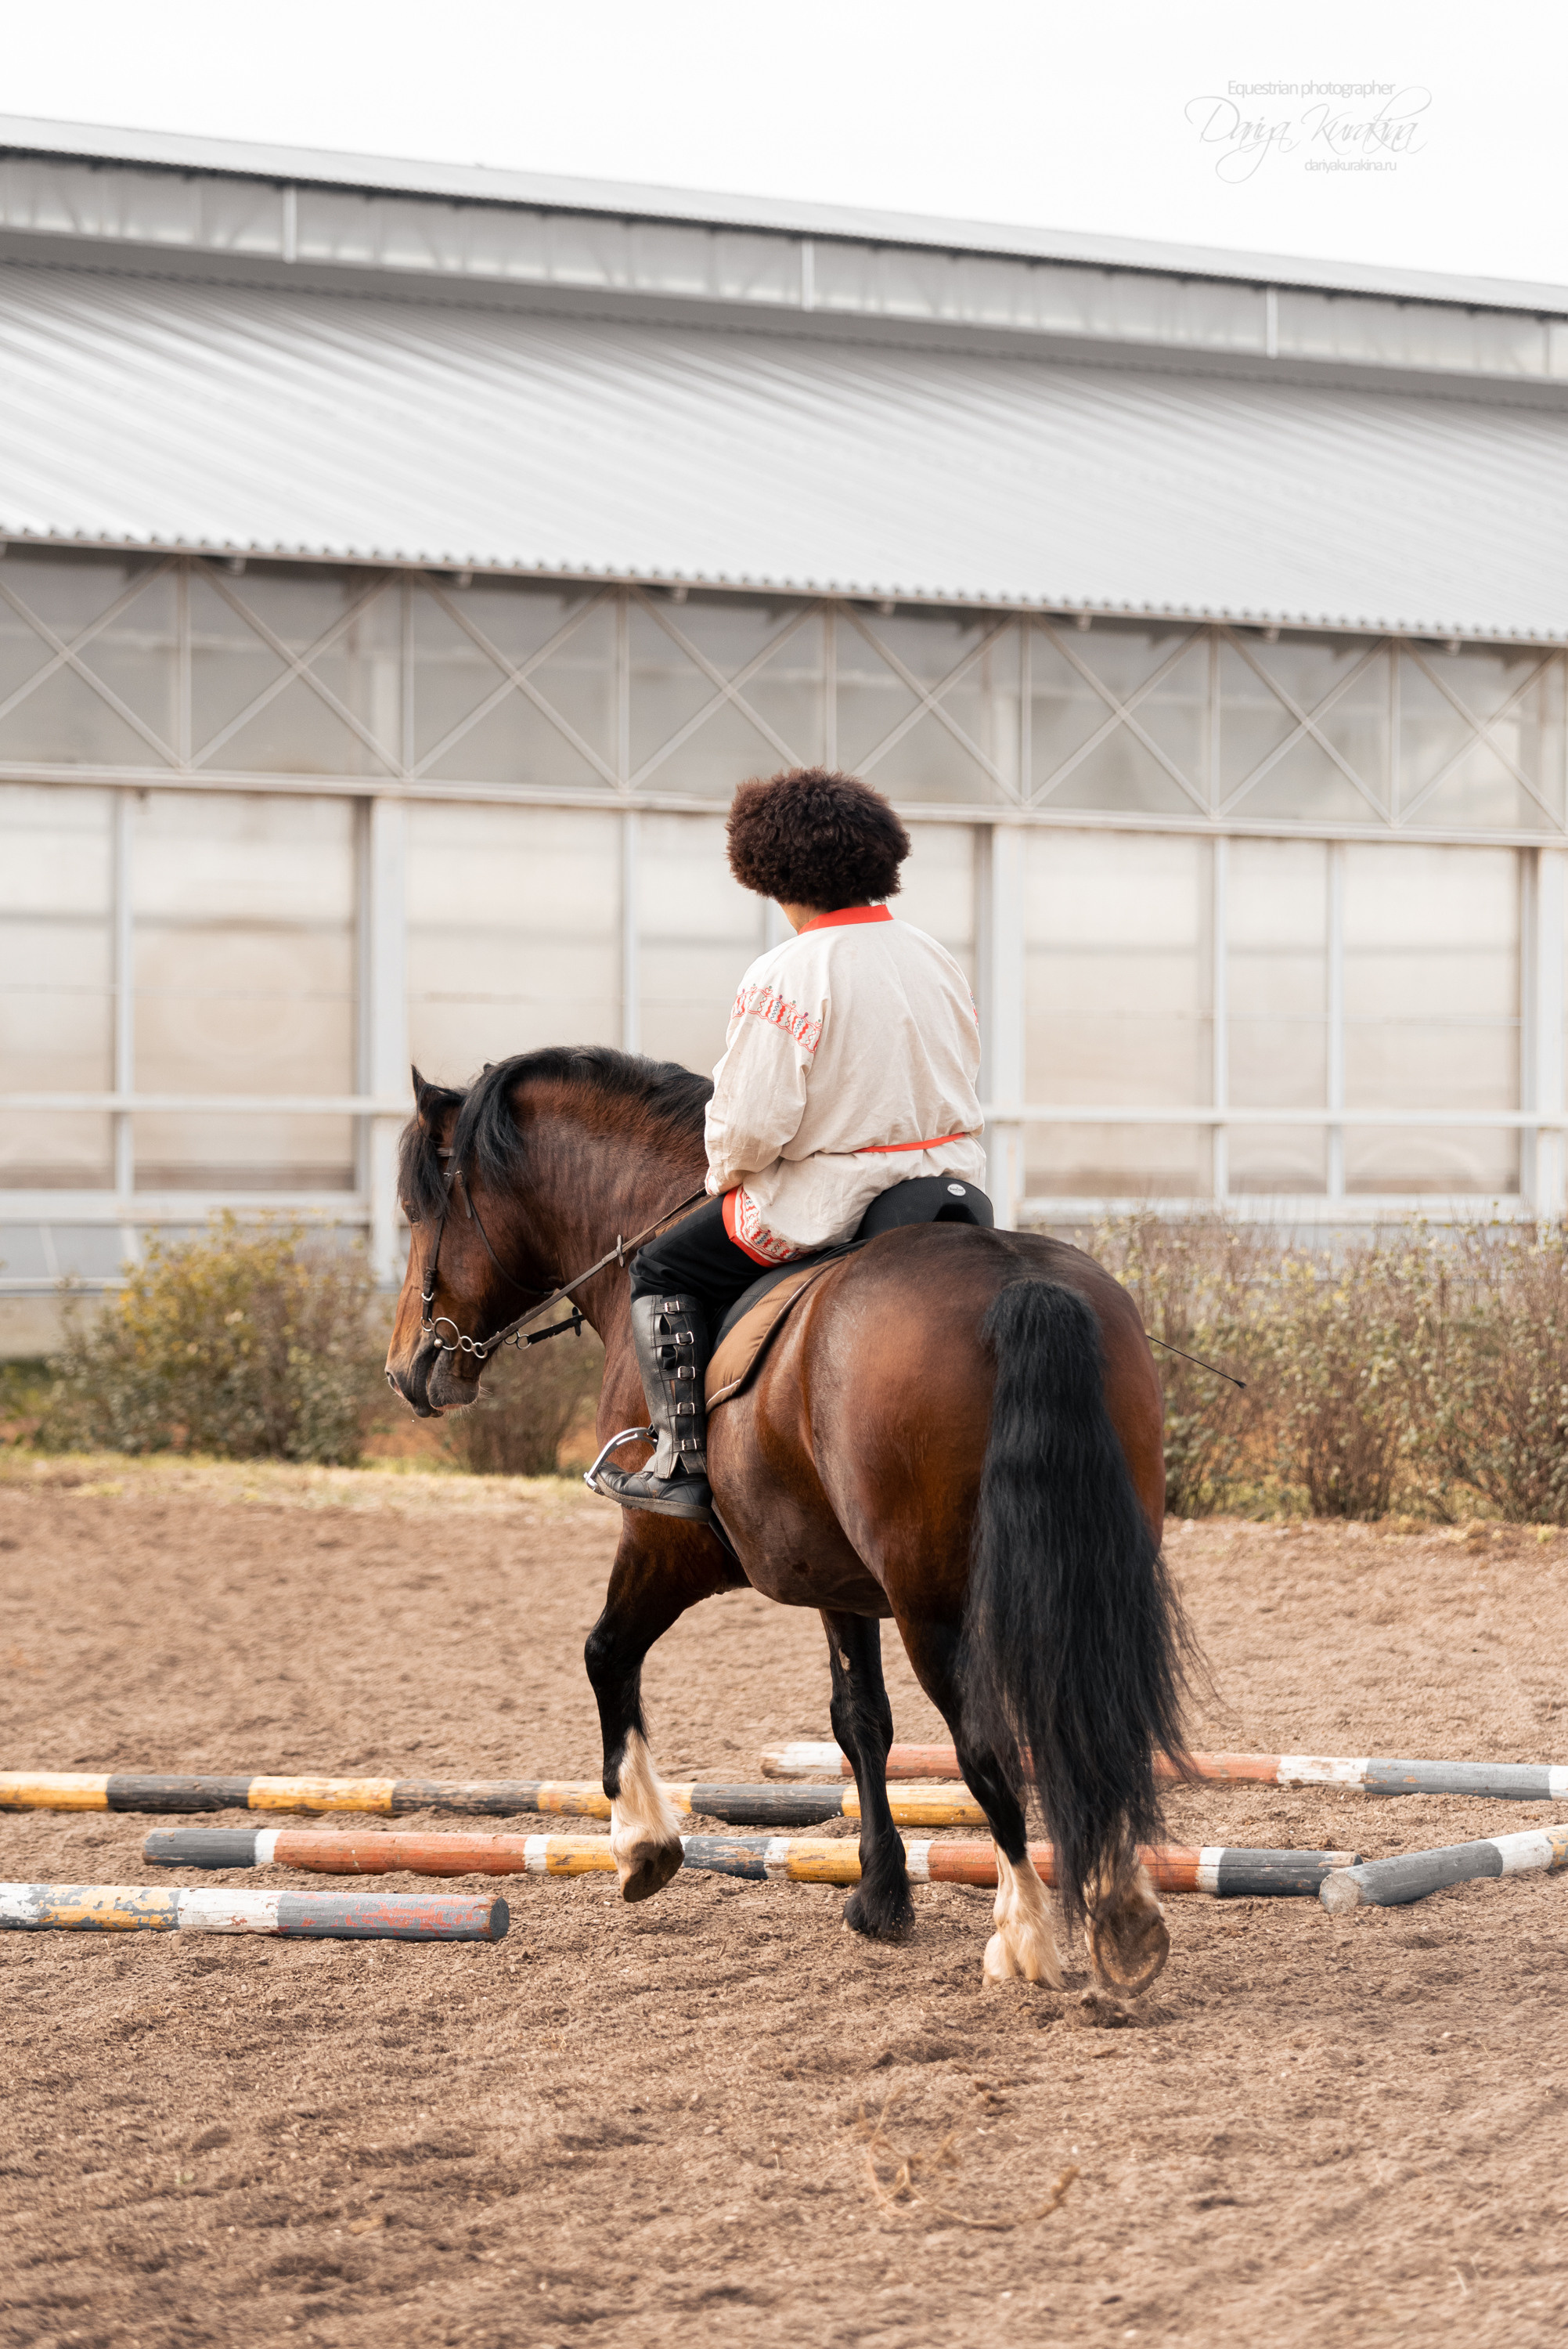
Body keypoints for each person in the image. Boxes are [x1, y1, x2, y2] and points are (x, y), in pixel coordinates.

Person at [593, 764, 987, 1520]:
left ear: (765, 870)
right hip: (948, 1184)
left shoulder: (787, 972)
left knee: (661, 1266)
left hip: (830, 1200)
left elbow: (751, 1125)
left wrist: (723, 1173)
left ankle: (680, 1463)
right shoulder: (933, 956)